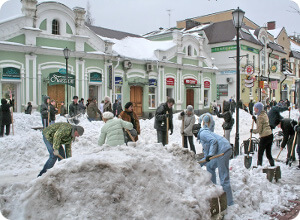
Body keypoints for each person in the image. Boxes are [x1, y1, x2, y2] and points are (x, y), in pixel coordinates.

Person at [197, 115, 234, 206]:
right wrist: (198, 164)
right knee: (210, 166)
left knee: (224, 176)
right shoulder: (204, 134)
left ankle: (230, 203)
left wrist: (210, 154)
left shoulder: (202, 133)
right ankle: (213, 189)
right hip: (221, 150)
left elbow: (214, 142)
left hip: (223, 150)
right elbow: (207, 157)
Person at [251, 102, 275, 167]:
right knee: (268, 153)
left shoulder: (260, 117)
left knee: (260, 153)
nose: (255, 110)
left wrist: (252, 131)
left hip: (264, 137)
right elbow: (262, 124)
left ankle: (259, 166)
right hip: (270, 135)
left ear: (259, 109)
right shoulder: (264, 114)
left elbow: (259, 130)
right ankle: (273, 165)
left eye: (256, 108)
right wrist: (256, 120)